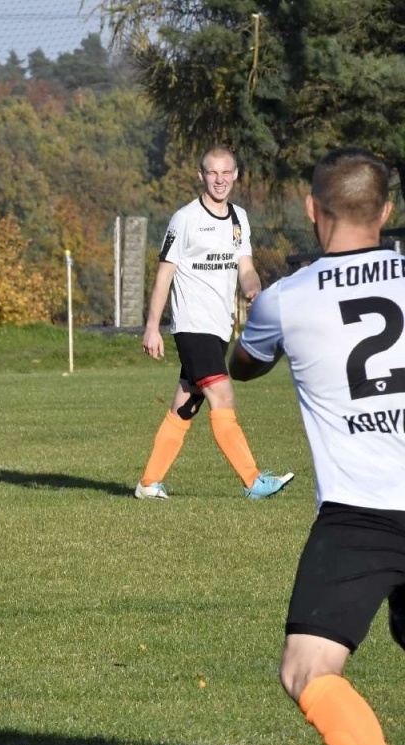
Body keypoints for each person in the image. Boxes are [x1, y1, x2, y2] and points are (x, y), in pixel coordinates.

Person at [232, 147, 405, 745]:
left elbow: (244, 365)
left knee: (309, 669)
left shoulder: (286, 299)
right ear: (387, 212)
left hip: (360, 517)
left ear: (312, 211)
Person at [136, 147, 292, 501]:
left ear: (236, 174)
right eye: (212, 173)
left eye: (226, 172)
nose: (219, 180)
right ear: (200, 175)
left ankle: (148, 484)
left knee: (186, 404)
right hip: (192, 325)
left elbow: (246, 268)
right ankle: (253, 481)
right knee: (222, 393)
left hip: (220, 326)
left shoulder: (239, 218)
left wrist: (255, 291)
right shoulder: (185, 219)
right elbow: (164, 275)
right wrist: (151, 326)